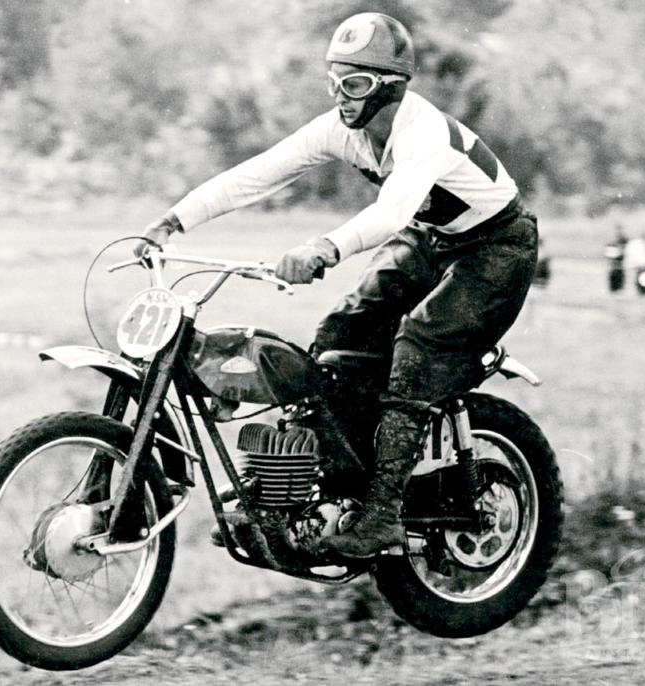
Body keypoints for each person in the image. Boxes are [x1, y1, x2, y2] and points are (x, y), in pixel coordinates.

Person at [136, 13, 539, 559]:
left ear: (391, 87)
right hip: (431, 238)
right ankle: (314, 485)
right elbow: (260, 172)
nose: (341, 98)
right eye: (335, 82)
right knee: (336, 338)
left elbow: (391, 213)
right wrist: (172, 221)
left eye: (354, 84)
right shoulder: (341, 131)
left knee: (417, 347)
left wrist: (325, 247)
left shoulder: (423, 133)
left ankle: (381, 516)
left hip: (495, 247)